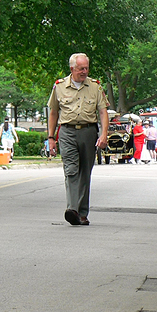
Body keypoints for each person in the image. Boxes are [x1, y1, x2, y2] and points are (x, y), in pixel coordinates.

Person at [46, 52, 108, 226]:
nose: (85, 71)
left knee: (85, 172)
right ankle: (72, 209)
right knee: (71, 170)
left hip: (88, 132)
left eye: (87, 68)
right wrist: (51, 137)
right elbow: (53, 113)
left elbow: (102, 112)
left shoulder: (95, 86)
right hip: (67, 132)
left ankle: (82, 213)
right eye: (81, 68)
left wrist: (103, 134)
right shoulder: (59, 86)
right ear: (72, 68)